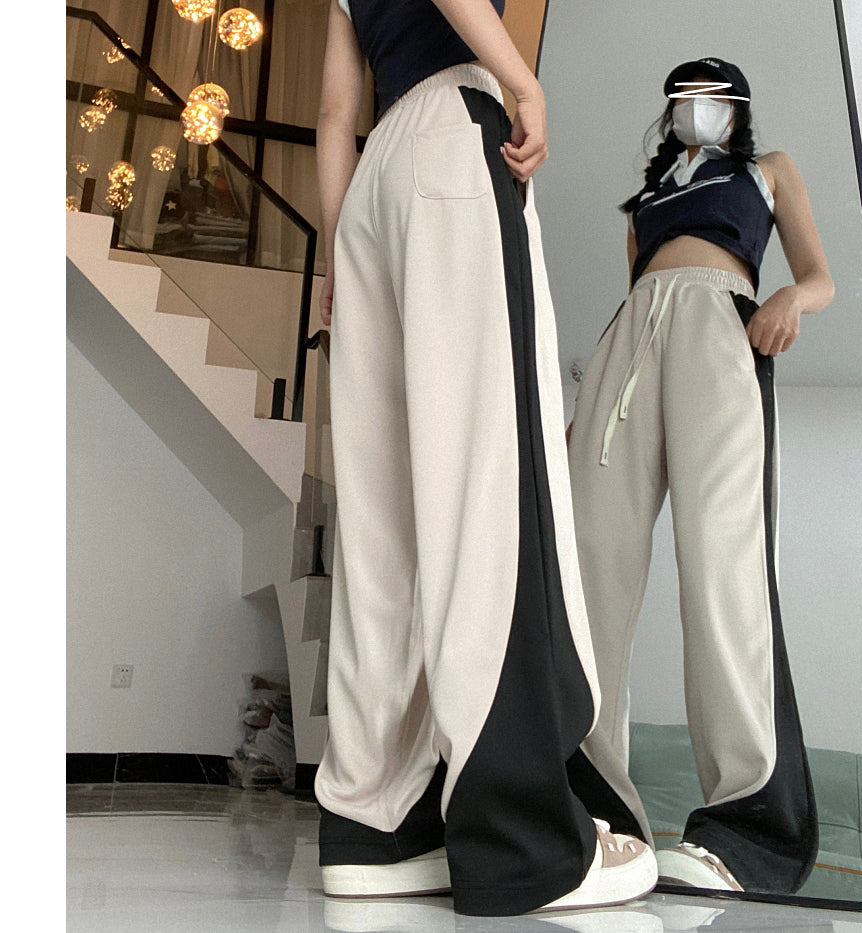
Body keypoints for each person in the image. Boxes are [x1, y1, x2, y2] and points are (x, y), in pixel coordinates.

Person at [312, 0, 657, 918]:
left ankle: (374, 822)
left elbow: (335, 114)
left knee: (384, 523)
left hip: (372, 180)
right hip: (453, 137)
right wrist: (521, 80)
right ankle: (522, 834)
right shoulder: (479, 96)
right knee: (489, 481)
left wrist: (339, 250)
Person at [565, 57, 834, 895]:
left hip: (722, 325)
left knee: (722, 563)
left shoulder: (769, 171)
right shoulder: (643, 204)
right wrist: (590, 395)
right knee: (588, 562)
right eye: (684, 99)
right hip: (628, 341)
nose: (696, 108)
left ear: (737, 108)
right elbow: (635, 293)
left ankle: (745, 826)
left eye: (712, 98)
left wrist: (789, 298)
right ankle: (591, 805)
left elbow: (820, 277)